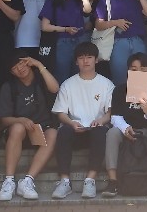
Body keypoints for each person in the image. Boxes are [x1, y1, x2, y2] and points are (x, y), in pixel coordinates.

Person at [101, 52, 147, 198]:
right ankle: (113, 181)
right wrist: (125, 128)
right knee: (112, 133)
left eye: (142, 69)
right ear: (128, 71)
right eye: (134, 69)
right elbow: (115, 116)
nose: (138, 73)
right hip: (127, 130)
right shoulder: (120, 90)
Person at [50, 42, 114, 199]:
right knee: (63, 131)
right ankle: (65, 181)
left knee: (100, 132)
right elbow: (60, 113)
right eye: (81, 58)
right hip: (74, 129)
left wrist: (100, 121)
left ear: (96, 60)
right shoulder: (68, 84)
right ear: (76, 61)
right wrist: (71, 123)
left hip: (96, 130)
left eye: (89, 57)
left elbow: (110, 112)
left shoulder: (106, 84)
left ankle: (90, 180)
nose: (85, 61)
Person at [0, 51, 61, 201]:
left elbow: (55, 88)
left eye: (22, 63)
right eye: (15, 68)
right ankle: (9, 181)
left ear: (28, 62)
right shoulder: (9, 87)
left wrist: (39, 65)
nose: (20, 68)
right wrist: (20, 120)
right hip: (20, 133)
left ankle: (27, 181)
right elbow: (4, 119)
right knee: (17, 128)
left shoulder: (41, 79)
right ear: (12, 72)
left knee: (53, 133)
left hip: (42, 130)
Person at [95, 0, 147, 86]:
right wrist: (115, 22)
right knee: (120, 79)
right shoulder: (106, 1)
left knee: (140, 80)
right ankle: (120, 98)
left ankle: (139, 99)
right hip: (117, 43)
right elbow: (98, 25)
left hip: (137, 41)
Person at [39, 0, 92, 83]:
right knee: (62, 77)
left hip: (79, 42)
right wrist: (65, 29)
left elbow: (88, 9)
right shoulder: (52, 2)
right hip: (61, 43)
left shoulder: (77, 1)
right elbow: (45, 26)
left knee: (79, 77)